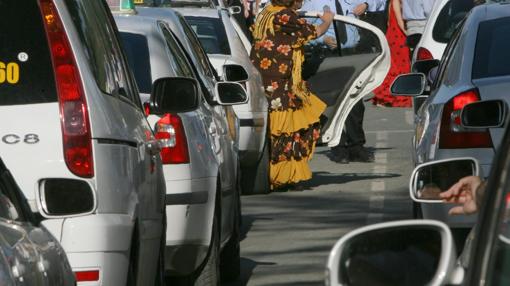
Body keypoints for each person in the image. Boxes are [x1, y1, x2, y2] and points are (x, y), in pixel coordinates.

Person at [250, 0, 335, 190]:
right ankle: (284, 177)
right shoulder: (285, 15)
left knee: (280, 131)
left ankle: (282, 174)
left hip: (268, 81)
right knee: (288, 131)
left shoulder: (268, 12)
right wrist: (328, 19)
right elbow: (314, 32)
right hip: (281, 84)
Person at [302, 0, 386, 164]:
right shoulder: (313, 3)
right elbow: (303, 32)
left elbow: (381, 3)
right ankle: (338, 147)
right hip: (328, 55)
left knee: (355, 100)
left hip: (352, 53)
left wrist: (367, 5)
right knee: (332, 102)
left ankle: (357, 146)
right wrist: (322, 39)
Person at [371, 0, 412, 107]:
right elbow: (399, 21)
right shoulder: (395, 1)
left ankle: (394, 95)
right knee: (401, 67)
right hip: (398, 37)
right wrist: (409, 35)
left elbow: (389, 22)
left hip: (395, 36)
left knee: (398, 67)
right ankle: (395, 95)